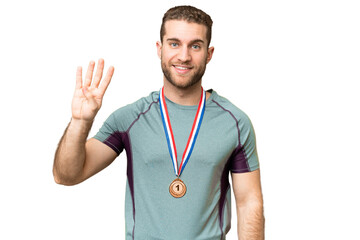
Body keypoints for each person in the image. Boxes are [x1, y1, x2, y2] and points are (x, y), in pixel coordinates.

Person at [53, 5, 265, 240]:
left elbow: (248, 203)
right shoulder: (130, 119)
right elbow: (66, 175)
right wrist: (81, 121)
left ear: (209, 53)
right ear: (159, 48)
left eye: (195, 46)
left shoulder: (235, 123)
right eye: (174, 43)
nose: (184, 56)